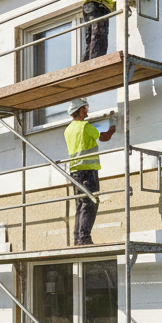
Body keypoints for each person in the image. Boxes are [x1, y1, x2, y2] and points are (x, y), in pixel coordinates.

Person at [64, 98, 115, 245]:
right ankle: (84, 238)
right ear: (80, 110)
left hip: (75, 172)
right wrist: (113, 125)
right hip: (87, 171)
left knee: (81, 204)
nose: (87, 111)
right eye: (85, 108)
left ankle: (78, 239)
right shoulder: (85, 126)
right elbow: (104, 137)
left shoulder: (69, 129)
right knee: (89, 203)